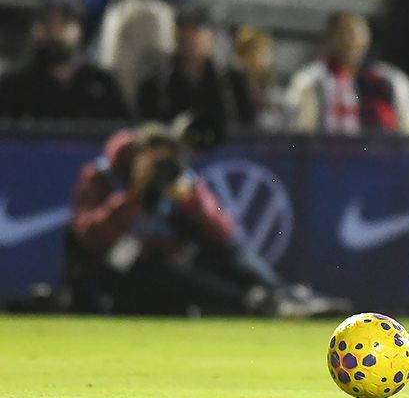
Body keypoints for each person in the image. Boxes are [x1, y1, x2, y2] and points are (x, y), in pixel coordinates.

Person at [67, 121, 345, 316]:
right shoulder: (103, 177)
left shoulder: (179, 181)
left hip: (174, 265)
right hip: (120, 276)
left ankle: (285, 296)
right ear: (136, 157)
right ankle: (255, 304)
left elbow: (224, 233)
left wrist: (189, 200)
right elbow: (90, 238)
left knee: (227, 254)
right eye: (152, 162)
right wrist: (134, 196)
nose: (158, 170)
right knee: (167, 271)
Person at [284, 11, 409, 136]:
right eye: (341, 34)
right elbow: (298, 132)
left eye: (354, 34)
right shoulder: (308, 81)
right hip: (328, 160)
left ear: (367, 39)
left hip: (381, 159)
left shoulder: (390, 80)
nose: (348, 41)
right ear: (329, 39)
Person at [0, 0, 127, 123]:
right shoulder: (15, 85)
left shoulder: (102, 82)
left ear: (80, 30)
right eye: (47, 24)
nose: (54, 32)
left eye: (63, 24)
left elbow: (122, 133)